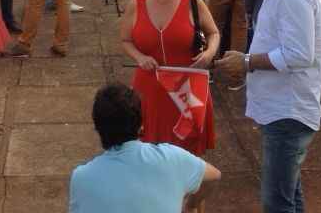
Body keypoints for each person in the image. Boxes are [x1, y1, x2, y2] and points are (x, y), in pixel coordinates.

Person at [218, 0, 321, 213]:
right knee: (289, 193)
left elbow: (299, 54)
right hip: (283, 106)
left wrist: (245, 62)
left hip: (288, 109)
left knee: (277, 202)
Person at [119, 0, 219, 154]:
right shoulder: (136, 4)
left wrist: (209, 53)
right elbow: (126, 40)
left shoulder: (193, 1)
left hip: (188, 88)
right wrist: (139, 57)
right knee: (149, 147)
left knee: (185, 148)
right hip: (149, 88)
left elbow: (214, 33)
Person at [69, 83, 221, 213]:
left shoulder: (81, 177)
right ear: (141, 125)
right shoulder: (172, 157)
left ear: (98, 127)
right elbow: (214, 176)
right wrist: (190, 205)